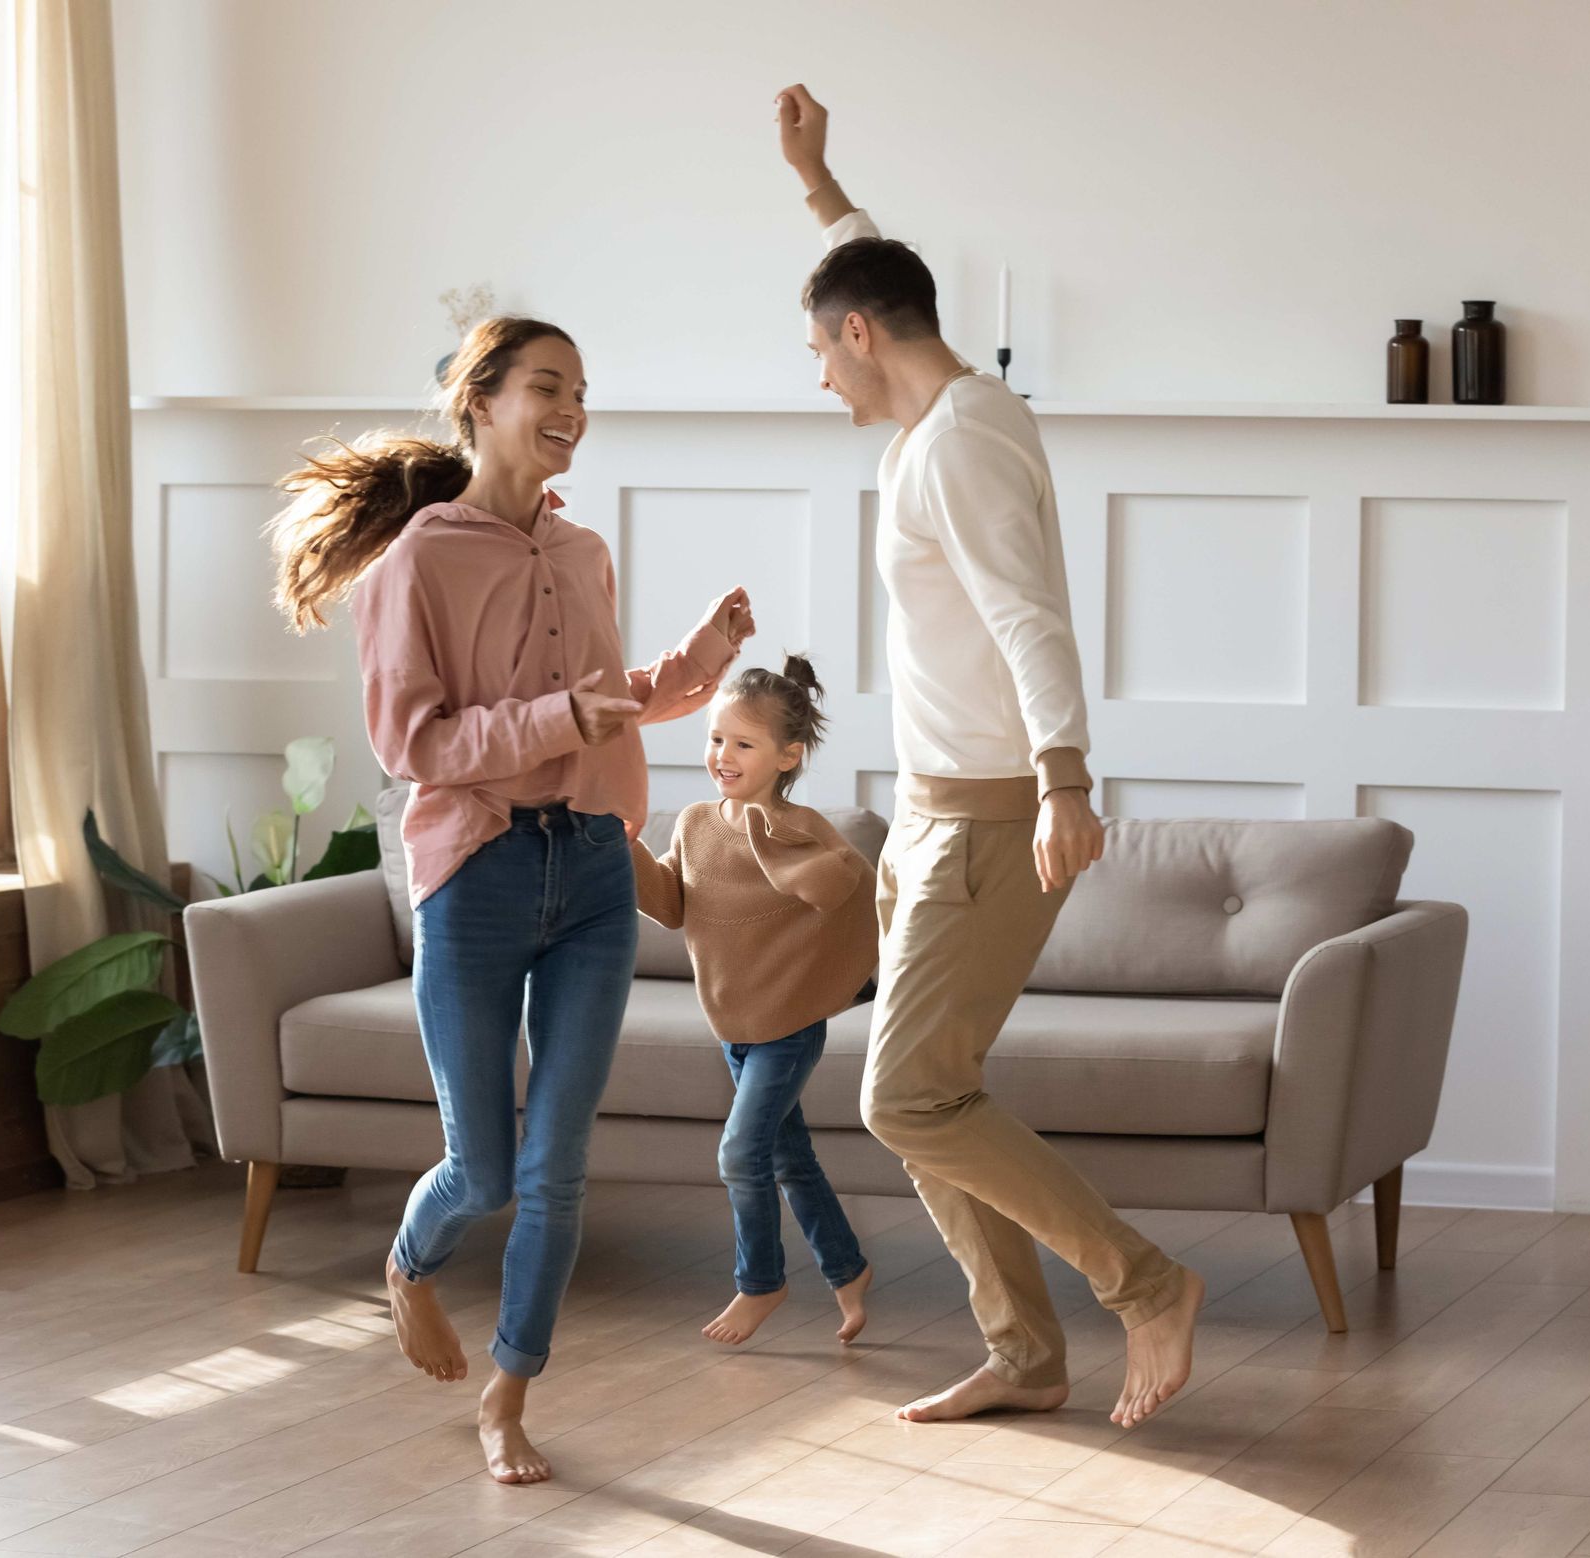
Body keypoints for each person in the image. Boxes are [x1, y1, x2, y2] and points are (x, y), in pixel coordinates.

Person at [773, 85, 1204, 1430]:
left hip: (988, 823)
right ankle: (1022, 1352)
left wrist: (1068, 779)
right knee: (925, 1095)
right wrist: (819, 182)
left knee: (905, 1090)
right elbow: (876, 268)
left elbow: (1030, 619)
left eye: (819, 350)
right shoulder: (953, 409)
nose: (817, 373)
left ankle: (1144, 1284)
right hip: (929, 820)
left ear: (857, 336)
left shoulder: (956, 445)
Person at [269, 316, 755, 1483]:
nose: (572, 406)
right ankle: (408, 1263)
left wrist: (690, 667)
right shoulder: (418, 562)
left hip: (589, 869)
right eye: (548, 385)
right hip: (475, 879)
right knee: (480, 1169)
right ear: (478, 400)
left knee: (556, 1169)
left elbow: (599, 699)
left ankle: (509, 1395)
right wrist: (556, 721)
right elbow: (411, 742)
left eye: (583, 389)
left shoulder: (583, 554)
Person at [631, 656, 878, 1348]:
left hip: (788, 1027)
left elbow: (836, 888)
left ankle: (759, 1281)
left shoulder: (803, 828)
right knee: (787, 1158)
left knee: (741, 1154)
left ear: (787, 756)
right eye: (716, 739)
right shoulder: (695, 822)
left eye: (743, 744)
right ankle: (849, 1270)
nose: (722, 756)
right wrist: (625, 855)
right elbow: (672, 905)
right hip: (731, 1023)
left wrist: (769, 840)